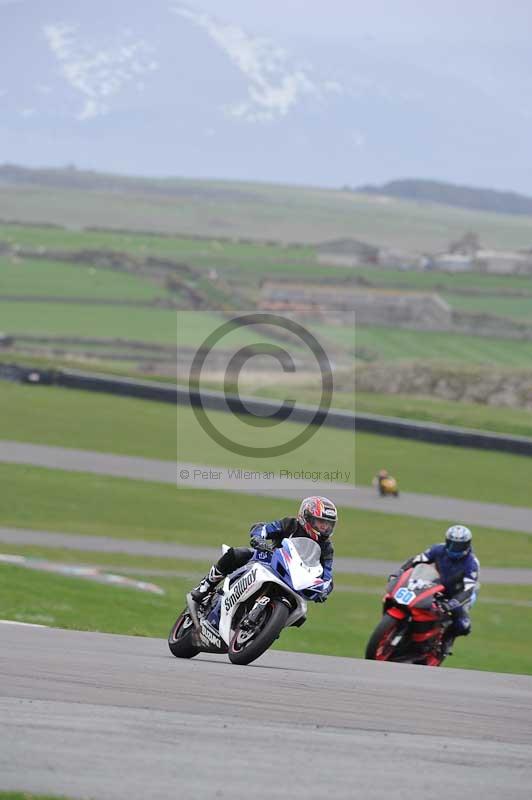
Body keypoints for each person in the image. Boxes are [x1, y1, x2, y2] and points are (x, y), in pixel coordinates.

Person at [188, 496, 337, 607]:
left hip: (294, 580)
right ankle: (205, 586)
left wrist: (324, 590)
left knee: (300, 615)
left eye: (328, 524)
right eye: (321, 522)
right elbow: (263, 529)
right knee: (237, 554)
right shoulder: (290, 524)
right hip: (269, 561)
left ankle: (267, 627)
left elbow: (327, 575)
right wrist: (258, 539)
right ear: (306, 517)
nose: (325, 528)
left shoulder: (327, 548)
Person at [395, 524, 480, 656]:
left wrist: (453, 603)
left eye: (458, 545)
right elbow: (417, 560)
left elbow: (469, 588)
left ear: (467, 545)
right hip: (436, 584)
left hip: (457, 592)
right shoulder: (438, 549)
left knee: (463, 625)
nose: (453, 548)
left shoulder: (471, 562)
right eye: (451, 544)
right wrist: (400, 572)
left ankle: (447, 641)